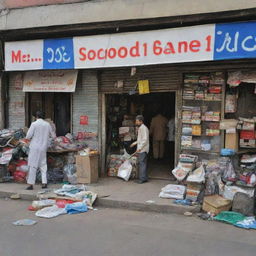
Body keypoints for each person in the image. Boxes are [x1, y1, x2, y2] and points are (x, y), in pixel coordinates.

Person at [26, 111, 56, 190]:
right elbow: (53, 136)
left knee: (33, 165)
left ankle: (31, 184)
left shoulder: (34, 124)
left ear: (36, 116)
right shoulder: (47, 124)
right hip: (43, 147)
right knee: (43, 165)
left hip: (35, 147)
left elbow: (28, 136)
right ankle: (44, 183)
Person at [130, 115, 149, 184]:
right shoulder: (141, 128)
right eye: (136, 121)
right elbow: (140, 139)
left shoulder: (143, 128)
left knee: (142, 163)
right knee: (143, 163)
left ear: (141, 121)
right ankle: (145, 177)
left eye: (137, 121)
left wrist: (140, 148)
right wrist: (134, 143)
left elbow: (144, 140)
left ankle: (142, 179)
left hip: (143, 149)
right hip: (143, 148)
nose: (136, 122)